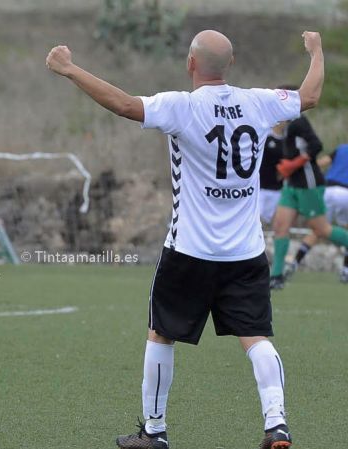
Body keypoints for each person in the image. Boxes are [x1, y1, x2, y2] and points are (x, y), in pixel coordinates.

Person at [47, 29, 323, 449]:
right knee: (257, 338)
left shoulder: (182, 106)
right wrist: (317, 51)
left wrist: (69, 70)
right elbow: (310, 95)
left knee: (161, 334)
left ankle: (154, 432)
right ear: (229, 65)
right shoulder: (260, 101)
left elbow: (123, 104)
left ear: (190, 64)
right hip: (246, 253)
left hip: (190, 250)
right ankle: (277, 424)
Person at [268, 106, 348, 289]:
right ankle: (276, 277)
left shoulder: (299, 121)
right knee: (280, 227)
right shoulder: (283, 126)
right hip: (292, 185)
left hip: (308, 184)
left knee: (321, 229)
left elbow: (316, 145)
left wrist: (294, 164)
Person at [287, 145, 348, 282]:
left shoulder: (341, 149)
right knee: (346, 231)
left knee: (317, 230)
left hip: (328, 190)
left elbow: (321, 163)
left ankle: (295, 263)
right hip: (346, 194)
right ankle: (345, 271)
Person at [258, 122, 286, 225]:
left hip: (277, 188)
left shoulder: (286, 141)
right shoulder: (265, 137)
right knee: (256, 217)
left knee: (269, 219)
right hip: (260, 187)